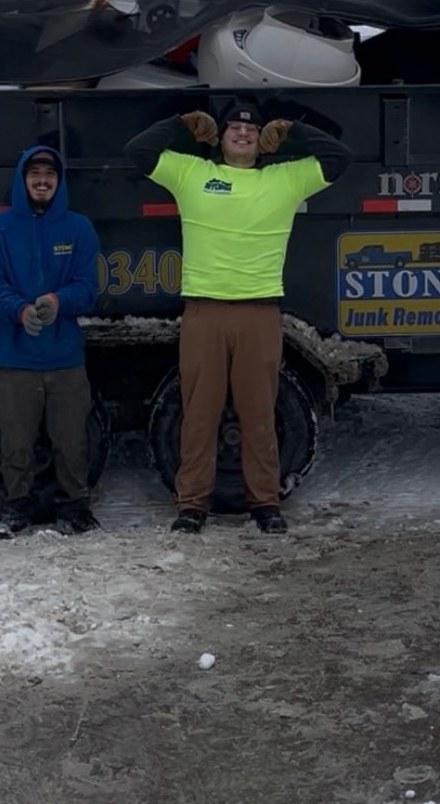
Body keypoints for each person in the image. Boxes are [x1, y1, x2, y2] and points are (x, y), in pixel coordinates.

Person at [125, 100, 352, 535]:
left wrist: (294, 131)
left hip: (259, 311)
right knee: (199, 413)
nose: (243, 134)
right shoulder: (192, 173)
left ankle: (264, 504)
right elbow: (138, 152)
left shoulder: (285, 179)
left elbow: (339, 159)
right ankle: (191, 505)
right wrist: (181, 125)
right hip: (203, 312)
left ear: (262, 139)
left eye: (252, 129)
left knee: (258, 413)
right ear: (221, 137)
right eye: (234, 128)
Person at [0, 147, 101, 538]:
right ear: (22, 179)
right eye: (35, 173)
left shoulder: (79, 228)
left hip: (64, 357)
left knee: (71, 440)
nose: (42, 180)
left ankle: (75, 508)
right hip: (14, 358)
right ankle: (16, 508)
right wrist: (19, 311)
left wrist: (55, 301)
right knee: (15, 442)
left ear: (59, 181)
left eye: (50, 173)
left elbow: (88, 288)